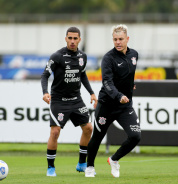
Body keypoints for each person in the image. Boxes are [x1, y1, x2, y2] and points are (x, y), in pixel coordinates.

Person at [85, 24, 141, 178]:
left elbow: (128, 75)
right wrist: (119, 96)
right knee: (97, 137)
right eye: (115, 39)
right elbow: (107, 83)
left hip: (125, 106)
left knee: (136, 136)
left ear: (127, 39)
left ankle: (114, 159)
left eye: (121, 39)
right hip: (107, 105)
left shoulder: (134, 54)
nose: (118, 42)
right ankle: (89, 167)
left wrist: (131, 85)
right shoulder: (108, 58)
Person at [41, 26, 98, 177]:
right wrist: (45, 92)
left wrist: (91, 92)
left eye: (75, 38)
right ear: (65, 38)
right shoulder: (57, 56)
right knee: (55, 132)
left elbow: (83, 75)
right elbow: (45, 75)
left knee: (88, 128)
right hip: (59, 101)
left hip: (76, 100)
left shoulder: (82, 57)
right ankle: (51, 168)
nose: (72, 41)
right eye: (70, 38)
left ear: (79, 39)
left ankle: (82, 163)